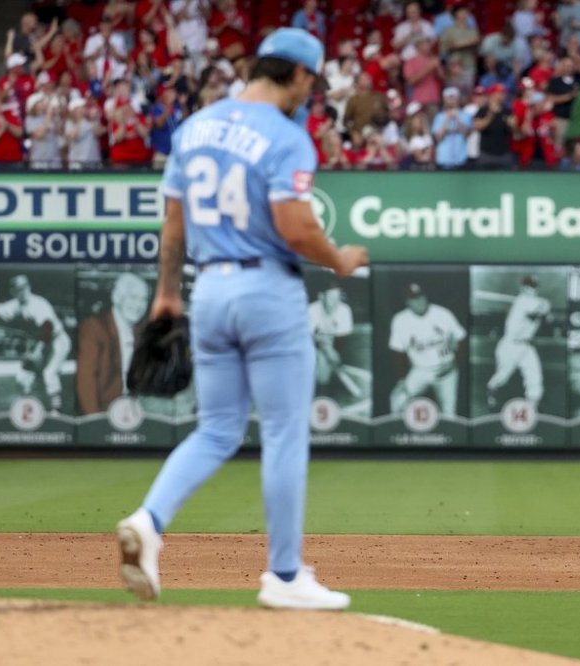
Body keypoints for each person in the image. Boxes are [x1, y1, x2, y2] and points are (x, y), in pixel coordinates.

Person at [115, 27, 369, 611]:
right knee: (282, 432)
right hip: (265, 289)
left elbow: (174, 225)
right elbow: (297, 227)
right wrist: (341, 260)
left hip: (208, 290)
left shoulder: (193, 128)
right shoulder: (286, 135)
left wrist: (165, 294)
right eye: (312, 80)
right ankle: (284, 576)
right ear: (299, 75)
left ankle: (148, 521)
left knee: (217, 429)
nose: (311, 91)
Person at [0, 274, 71, 413]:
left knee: (49, 373)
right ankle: (31, 406)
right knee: (22, 377)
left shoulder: (38, 304)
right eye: (19, 288)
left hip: (58, 341)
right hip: (42, 342)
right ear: (13, 292)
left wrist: (38, 350)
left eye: (25, 287)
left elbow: (48, 327)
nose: (23, 290)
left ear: (29, 287)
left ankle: (56, 411)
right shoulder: (16, 304)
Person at [77, 273, 152, 415]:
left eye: (144, 299)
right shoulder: (94, 328)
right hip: (104, 413)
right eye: (133, 297)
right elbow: (86, 380)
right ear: (116, 298)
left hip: (136, 410)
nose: (139, 305)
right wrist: (94, 421)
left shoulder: (144, 329)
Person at [388, 282, 467, 417]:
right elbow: (398, 352)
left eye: (421, 297)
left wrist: (454, 361)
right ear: (407, 302)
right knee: (397, 401)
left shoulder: (443, 314)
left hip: (446, 371)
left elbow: (462, 339)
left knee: (449, 414)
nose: (419, 302)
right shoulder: (400, 320)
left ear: (426, 297)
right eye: (413, 299)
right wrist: (401, 379)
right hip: (420, 370)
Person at [486, 275, 551, 410]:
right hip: (511, 345)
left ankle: (532, 409)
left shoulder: (531, 301)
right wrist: (545, 304)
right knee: (502, 377)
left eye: (533, 286)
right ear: (522, 288)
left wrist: (544, 306)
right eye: (528, 286)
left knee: (535, 377)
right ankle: (491, 391)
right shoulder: (523, 302)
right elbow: (542, 310)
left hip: (526, 346)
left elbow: (545, 314)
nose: (530, 289)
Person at [308, 278, 355, 390]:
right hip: (314, 345)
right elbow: (310, 339)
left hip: (333, 344)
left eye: (337, 298)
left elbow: (341, 340)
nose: (336, 302)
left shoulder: (345, 310)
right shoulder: (311, 310)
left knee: (327, 374)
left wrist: (334, 354)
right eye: (331, 298)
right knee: (322, 378)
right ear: (321, 296)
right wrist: (326, 350)